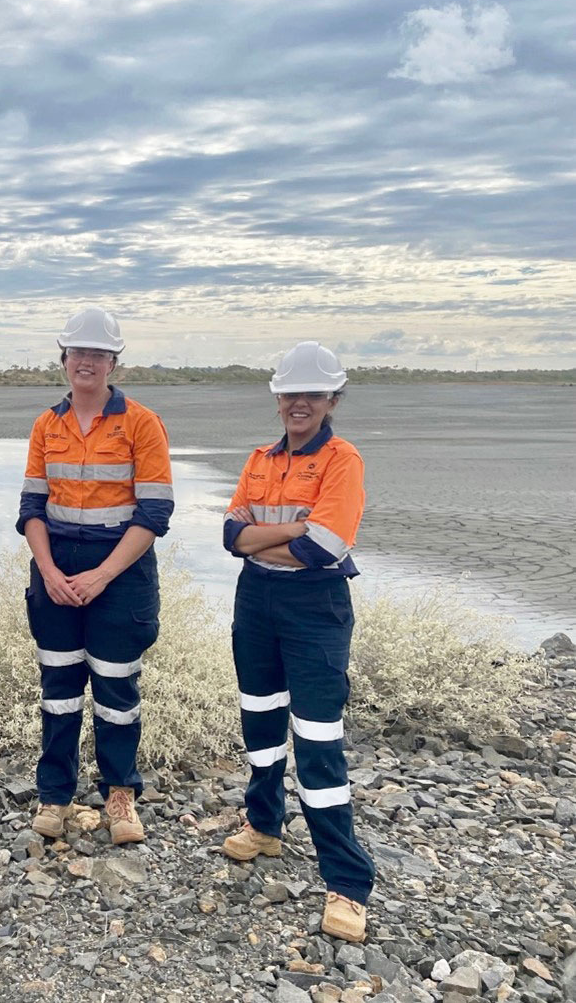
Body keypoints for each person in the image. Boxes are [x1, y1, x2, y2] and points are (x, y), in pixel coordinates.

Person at [220, 340, 375, 943]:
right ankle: (264, 825)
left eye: (312, 394)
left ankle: (347, 883)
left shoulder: (343, 460)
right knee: (260, 722)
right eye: (290, 394)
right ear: (278, 398)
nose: (298, 403)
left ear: (333, 399)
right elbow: (231, 537)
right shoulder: (261, 458)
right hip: (255, 599)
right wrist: (286, 530)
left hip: (316, 606)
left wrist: (266, 535)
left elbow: (323, 549)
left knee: (315, 739)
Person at [17, 307, 173, 846]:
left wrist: (102, 575)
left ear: (113, 362)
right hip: (56, 565)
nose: (86, 362)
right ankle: (55, 795)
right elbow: (31, 508)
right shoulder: (46, 424)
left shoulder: (142, 423)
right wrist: (50, 571)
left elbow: (153, 516)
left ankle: (120, 794)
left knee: (116, 687)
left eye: (97, 354)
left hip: (119, 569)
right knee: (58, 687)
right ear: (64, 360)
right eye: (77, 353)